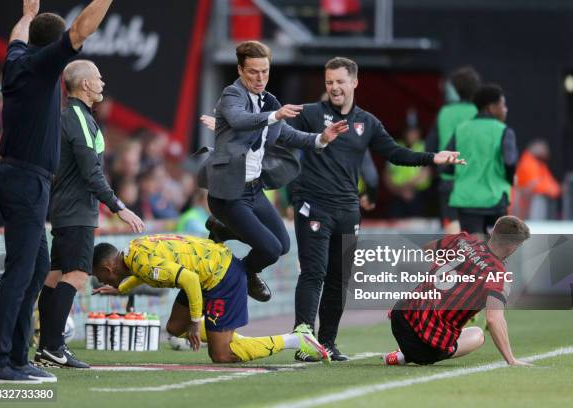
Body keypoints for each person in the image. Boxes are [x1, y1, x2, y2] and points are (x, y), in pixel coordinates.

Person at [284, 57, 464, 362]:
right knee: (314, 272)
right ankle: (304, 341)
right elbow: (280, 136)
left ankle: (327, 342)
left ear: (355, 82)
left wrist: (434, 158)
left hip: (348, 210)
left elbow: (395, 153)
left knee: (339, 279)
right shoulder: (310, 113)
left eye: (340, 81)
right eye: (329, 82)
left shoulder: (366, 122)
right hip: (313, 205)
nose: (335, 88)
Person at [0, 0, 114, 384]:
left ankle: (19, 357)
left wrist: (25, 16)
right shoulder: (41, 66)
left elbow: (16, 39)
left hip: (18, 178)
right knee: (21, 271)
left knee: (37, 267)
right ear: (53, 46)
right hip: (26, 180)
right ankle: (0, 362)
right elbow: (80, 31)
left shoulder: (17, 61)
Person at [198, 41, 349, 303]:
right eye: (253, 71)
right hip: (228, 193)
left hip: (254, 189)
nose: (260, 78)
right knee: (269, 249)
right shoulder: (231, 95)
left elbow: (287, 135)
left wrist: (320, 138)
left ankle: (224, 236)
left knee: (283, 245)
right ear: (240, 70)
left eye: (265, 71)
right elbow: (239, 120)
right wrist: (274, 116)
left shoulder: (269, 101)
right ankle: (236, 279)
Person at [35, 60, 144, 369]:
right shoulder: (78, 117)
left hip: (67, 209)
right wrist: (119, 207)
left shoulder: (73, 116)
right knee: (78, 274)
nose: (102, 83)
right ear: (84, 85)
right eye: (98, 79)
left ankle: (47, 348)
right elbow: (91, 173)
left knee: (56, 276)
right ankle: (53, 348)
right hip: (76, 211)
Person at [91, 234, 330, 364]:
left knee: (221, 355)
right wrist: (122, 288)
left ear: (107, 267)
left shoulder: (139, 263)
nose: (101, 281)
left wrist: (196, 321)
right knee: (175, 327)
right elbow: (150, 271)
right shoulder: (133, 251)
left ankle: (296, 340)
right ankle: (227, 335)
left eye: (99, 275)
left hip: (221, 277)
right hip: (202, 273)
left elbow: (190, 281)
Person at [384, 215, 532, 366]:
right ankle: (406, 355)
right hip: (425, 345)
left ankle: (403, 354)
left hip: (400, 316)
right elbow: (494, 319)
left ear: (493, 231)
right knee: (478, 335)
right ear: (513, 246)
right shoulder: (498, 274)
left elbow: (425, 251)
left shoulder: (463, 240)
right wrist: (511, 360)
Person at [447, 84, 518, 235]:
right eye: (503, 105)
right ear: (491, 108)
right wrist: (510, 178)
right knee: (497, 250)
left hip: (466, 201)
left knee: (474, 251)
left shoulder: (460, 130)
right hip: (495, 199)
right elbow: (510, 162)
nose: (506, 109)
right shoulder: (504, 131)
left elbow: (446, 166)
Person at [426, 66, 481, 234]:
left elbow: (430, 147)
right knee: (477, 236)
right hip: (476, 182)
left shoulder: (444, 113)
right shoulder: (480, 112)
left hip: (449, 183)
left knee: (453, 238)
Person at [513, 140, 561, 219]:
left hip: (536, 199)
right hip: (532, 200)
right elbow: (533, 184)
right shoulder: (529, 163)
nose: (545, 151)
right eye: (542, 148)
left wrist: (556, 189)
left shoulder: (537, 163)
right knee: (534, 222)